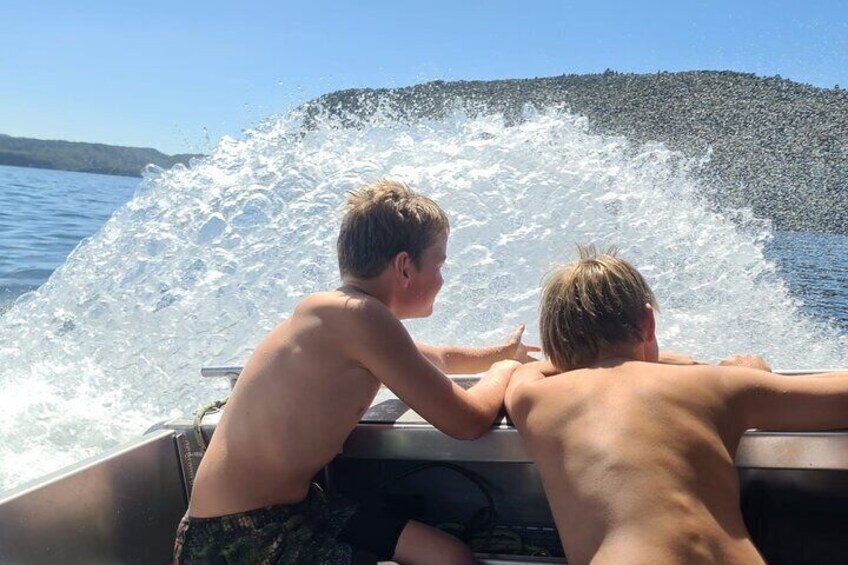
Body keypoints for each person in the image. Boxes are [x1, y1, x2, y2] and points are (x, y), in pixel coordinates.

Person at [174, 180, 537, 564]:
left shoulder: (341, 312)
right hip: (238, 542)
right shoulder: (359, 317)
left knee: (448, 556)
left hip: (294, 512)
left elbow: (438, 358)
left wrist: (504, 350)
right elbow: (467, 421)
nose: (443, 278)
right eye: (440, 263)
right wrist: (507, 369)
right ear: (404, 266)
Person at [504, 245, 848, 565]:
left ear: (553, 342)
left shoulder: (532, 398)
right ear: (648, 322)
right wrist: (755, 376)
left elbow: (527, 370)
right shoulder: (713, 384)